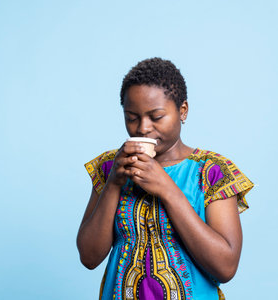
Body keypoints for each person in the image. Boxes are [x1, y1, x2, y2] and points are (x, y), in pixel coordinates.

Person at [76, 58, 254, 300]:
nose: (143, 128)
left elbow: (226, 267)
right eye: (131, 117)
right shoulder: (110, 168)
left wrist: (167, 190)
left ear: (183, 111)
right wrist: (114, 184)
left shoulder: (212, 171)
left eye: (156, 116)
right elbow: (88, 257)